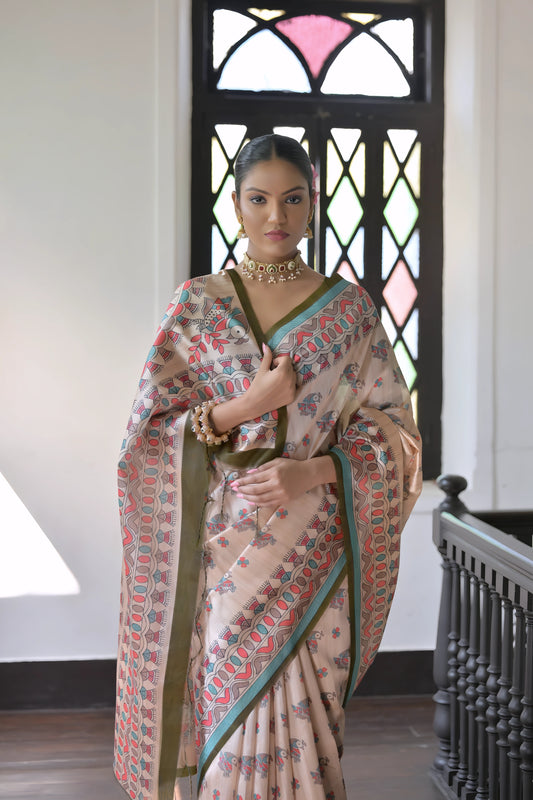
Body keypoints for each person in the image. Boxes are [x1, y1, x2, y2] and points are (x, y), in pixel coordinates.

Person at [114, 134, 422, 800]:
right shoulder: (197, 305)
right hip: (225, 543)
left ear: (313, 206)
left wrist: (311, 474)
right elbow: (148, 436)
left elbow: (395, 434)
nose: (274, 216)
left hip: (315, 540)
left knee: (308, 711)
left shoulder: (348, 310)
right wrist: (248, 404)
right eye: (258, 199)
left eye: (292, 199)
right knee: (228, 697)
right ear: (235, 205)